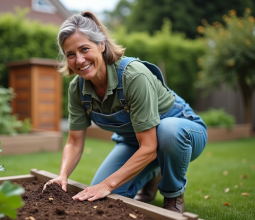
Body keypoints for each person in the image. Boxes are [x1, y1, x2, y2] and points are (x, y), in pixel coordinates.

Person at [44, 11, 207, 213]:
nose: (79, 60)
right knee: (99, 199)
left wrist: (108, 184)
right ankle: (153, 173)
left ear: (101, 45)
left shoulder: (133, 76)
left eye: (84, 49)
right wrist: (63, 175)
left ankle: (173, 196)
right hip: (136, 143)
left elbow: (149, 145)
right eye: (70, 54)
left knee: (167, 130)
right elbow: (75, 142)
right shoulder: (78, 89)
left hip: (182, 133)